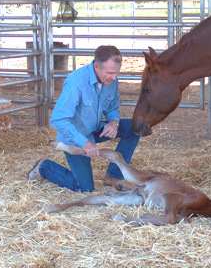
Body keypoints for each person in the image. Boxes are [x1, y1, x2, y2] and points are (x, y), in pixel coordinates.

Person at [27, 45, 140, 192]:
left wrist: (114, 121)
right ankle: (44, 167)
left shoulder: (111, 80)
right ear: (96, 67)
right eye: (110, 73)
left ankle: (113, 177)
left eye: (116, 73)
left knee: (134, 128)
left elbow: (112, 108)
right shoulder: (76, 82)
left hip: (94, 128)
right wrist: (84, 143)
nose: (114, 77)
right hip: (74, 137)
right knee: (84, 188)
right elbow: (57, 119)